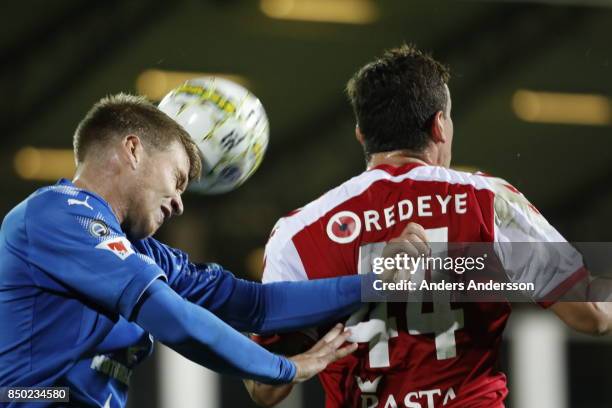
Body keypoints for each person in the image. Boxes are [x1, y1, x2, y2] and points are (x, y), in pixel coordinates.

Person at [243, 44, 612, 408]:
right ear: (439, 126)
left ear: (361, 134)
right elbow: (591, 315)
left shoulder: (299, 232)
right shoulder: (488, 201)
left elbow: (265, 389)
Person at [0, 94, 423, 408]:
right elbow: (172, 318)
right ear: (133, 150)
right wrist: (285, 368)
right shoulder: (55, 214)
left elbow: (256, 304)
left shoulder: (143, 251)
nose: (180, 201)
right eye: (178, 178)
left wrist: (373, 282)